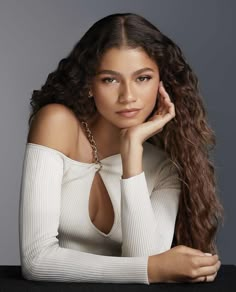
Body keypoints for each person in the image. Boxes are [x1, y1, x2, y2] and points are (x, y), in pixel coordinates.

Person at [18, 13, 223, 284]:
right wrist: (151, 269)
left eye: (143, 78)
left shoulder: (164, 168)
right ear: (89, 84)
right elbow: (36, 260)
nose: (128, 96)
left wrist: (132, 155)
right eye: (110, 80)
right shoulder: (57, 124)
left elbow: (145, 257)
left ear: (163, 83)